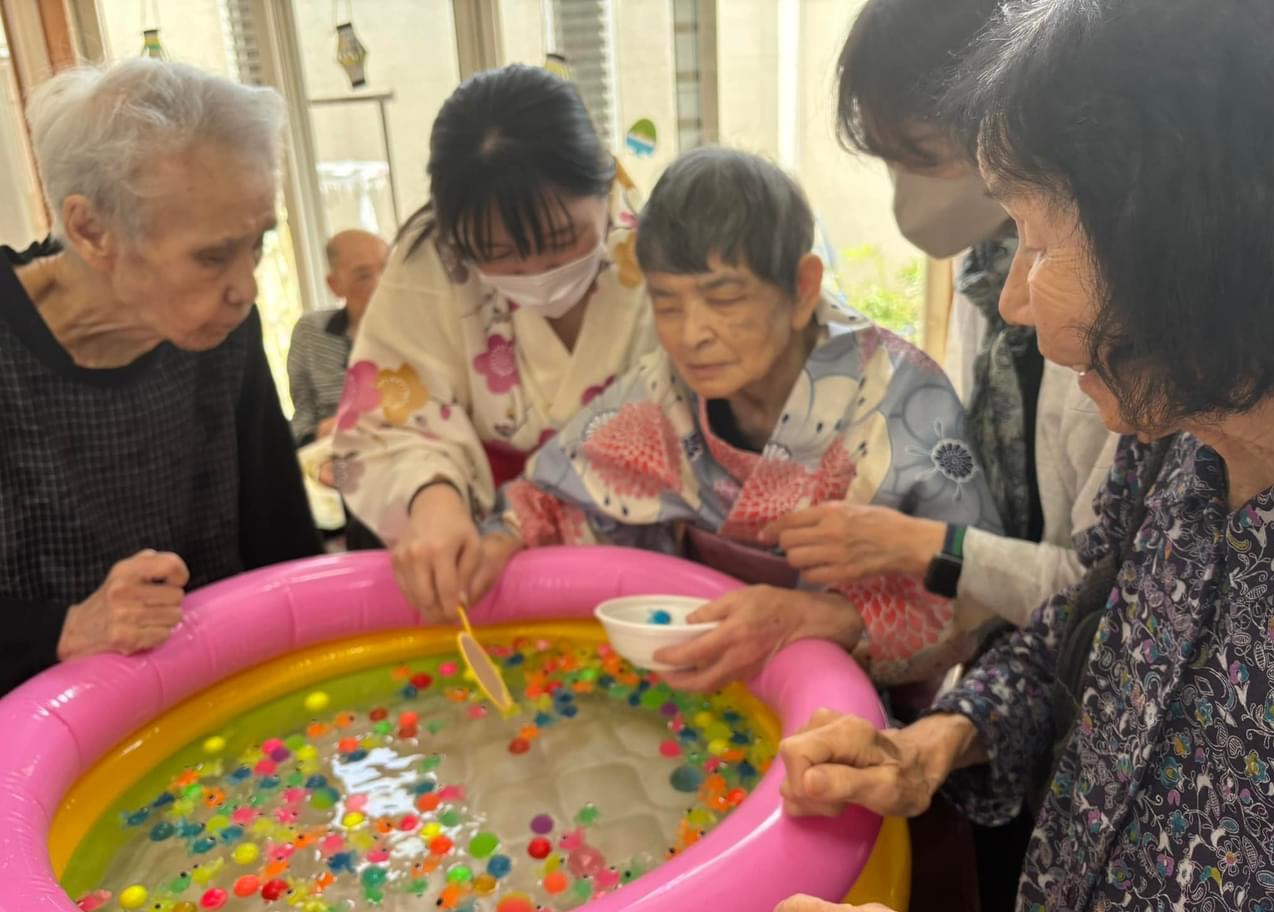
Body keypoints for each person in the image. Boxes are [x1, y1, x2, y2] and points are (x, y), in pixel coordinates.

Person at [748, 0, 1274, 912]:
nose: (1011, 296)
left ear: (1197, 237)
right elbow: (1073, 631)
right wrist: (938, 742)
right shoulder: (1173, 452)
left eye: (1039, 242)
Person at [467, 148, 1002, 691]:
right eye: (668, 304)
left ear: (802, 288)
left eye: (723, 298)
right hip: (701, 673)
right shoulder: (663, 390)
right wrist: (495, 544)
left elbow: (977, 599)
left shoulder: (905, 400)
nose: (691, 334)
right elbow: (554, 502)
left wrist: (817, 618)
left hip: (855, 704)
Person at [769, 0, 1115, 637]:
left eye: (921, 155)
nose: (1018, 302)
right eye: (889, 158)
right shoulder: (985, 272)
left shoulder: (1108, 324)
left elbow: (1108, 594)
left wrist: (926, 544)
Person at [0, 60, 320, 695]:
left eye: (258, 243)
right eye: (212, 255)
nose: (245, 287)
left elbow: (280, 538)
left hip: (213, 701)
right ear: (92, 230)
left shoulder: (220, 326)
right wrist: (64, 628)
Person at [332, 63, 655, 611]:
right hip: (479, 553)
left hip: (629, 548)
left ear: (604, 188)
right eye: (499, 254)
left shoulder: (659, 253)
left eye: (562, 240)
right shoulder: (430, 262)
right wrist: (431, 495)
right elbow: (384, 420)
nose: (535, 272)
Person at [287, 229, 388, 446]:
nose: (381, 285)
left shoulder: (416, 330)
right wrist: (316, 434)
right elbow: (303, 415)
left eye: (387, 269)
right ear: (334, 285)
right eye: (364, 275)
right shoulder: (311, 332)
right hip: (332, 451)